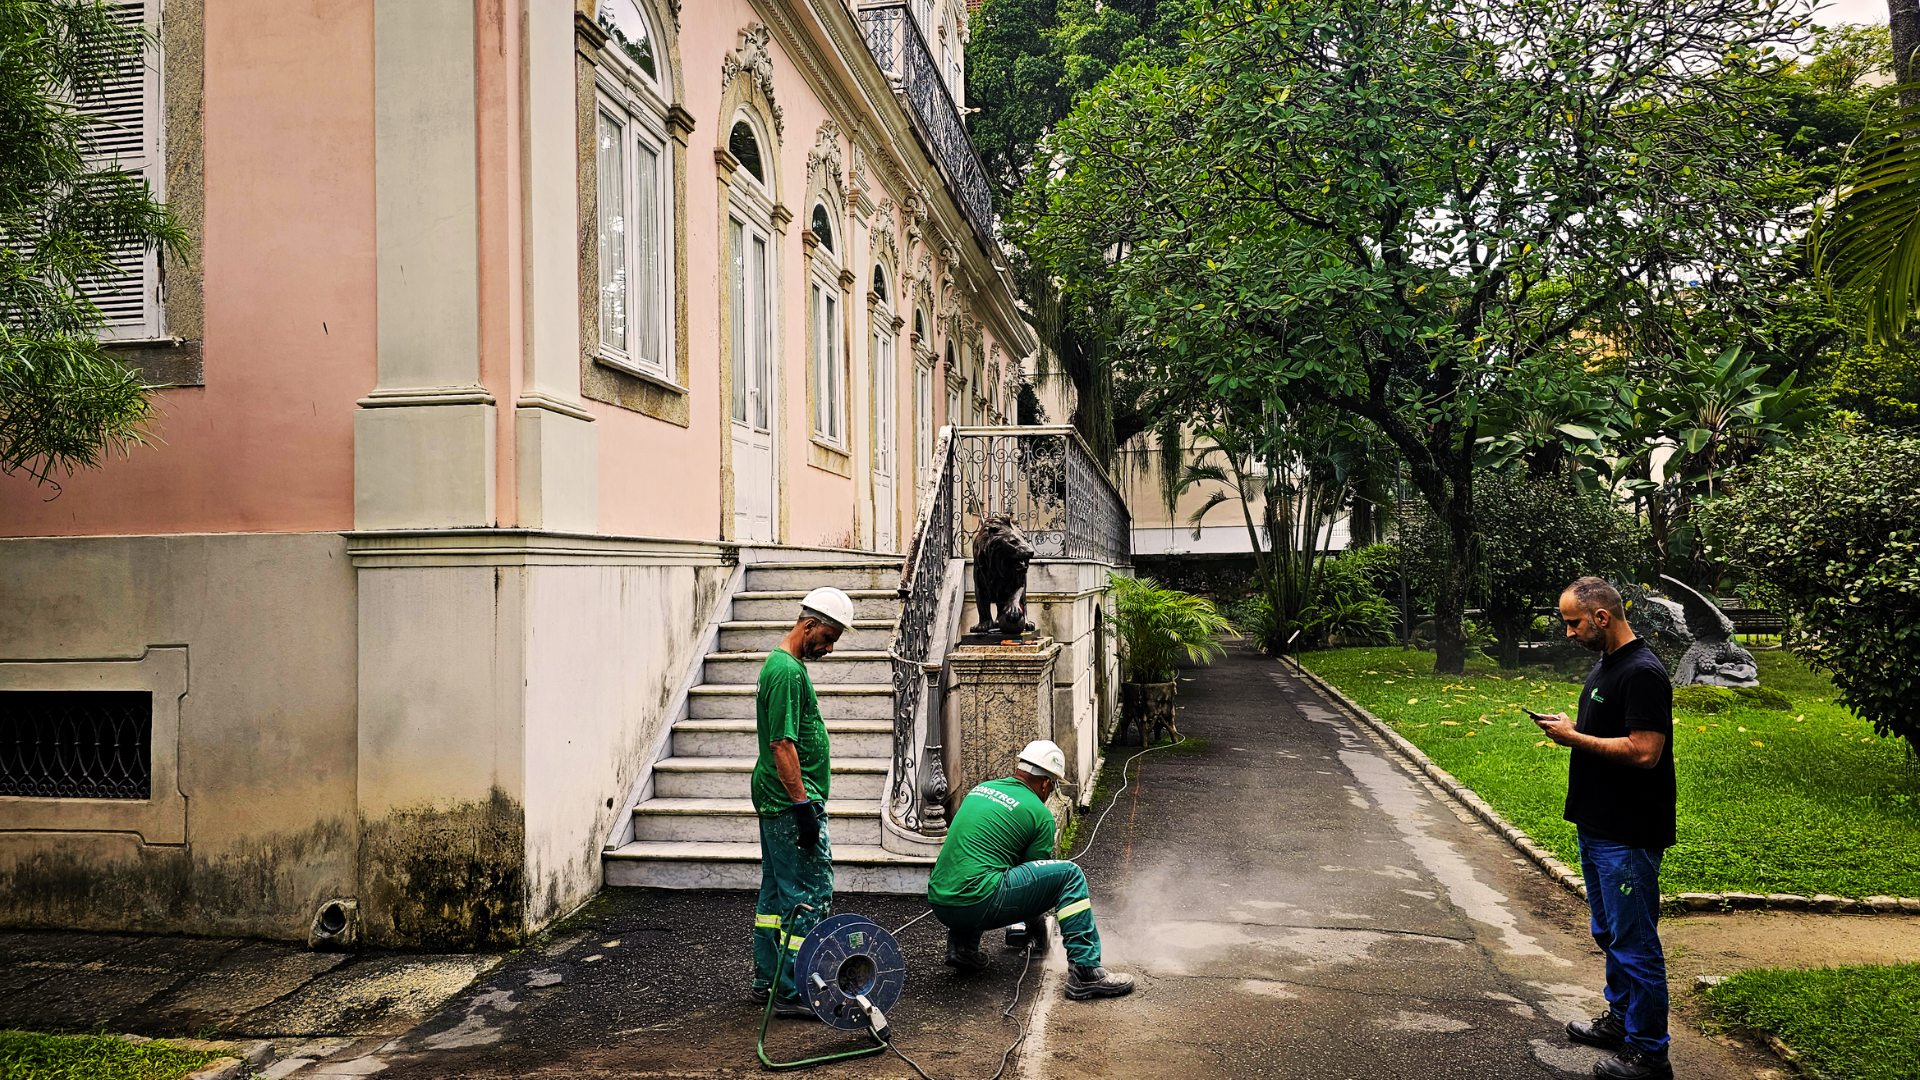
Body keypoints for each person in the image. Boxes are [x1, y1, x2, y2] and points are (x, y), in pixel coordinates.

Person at [1533, 576, 1677, 1080]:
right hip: (1597, 825)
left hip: (1627, 833)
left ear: (1601, 616)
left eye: (1573, 622)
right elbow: (1610, 732)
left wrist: (1574, 739)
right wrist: (1574, 728)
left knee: (1635, 944)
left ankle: (1650, 1054)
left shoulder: (1642, 672)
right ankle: (1621, 1021)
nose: (1568, 632)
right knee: (1611, 934)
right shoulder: (1607, 665)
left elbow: (1644, 751)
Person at [926, 740, 1135, 1001]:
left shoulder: (980, 789)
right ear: (1046, 783)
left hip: (941, 901)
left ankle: (962, 948)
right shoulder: (1040, 814)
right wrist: (1037, 928)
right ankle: (1086, 971)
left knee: (982, 866)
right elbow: (1032, 881)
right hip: (978, 902)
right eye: (1053, 786)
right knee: (1069, 875)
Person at [750, 586, 854, 1018]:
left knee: (777, 893)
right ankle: (796, 990)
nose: (829, 648)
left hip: (776, 799)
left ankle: (768, 979)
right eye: (827, 638)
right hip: (788, 802)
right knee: (810, 893)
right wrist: (803, 807)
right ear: (808, 625)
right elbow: (782, 744)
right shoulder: (787, 672)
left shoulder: (783, 666)